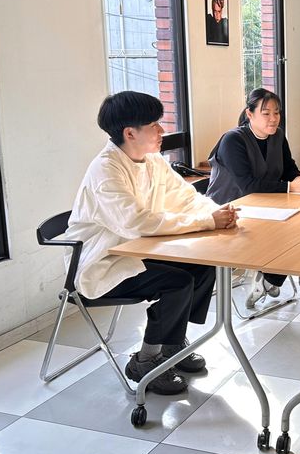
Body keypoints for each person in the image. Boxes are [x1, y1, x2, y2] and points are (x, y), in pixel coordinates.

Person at [64, 91, 238, 395]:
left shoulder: (153, 161)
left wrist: (216, 213)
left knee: (203, 265)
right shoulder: (106, 170)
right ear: (130, 133)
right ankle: (145, 362)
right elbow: (137, 223)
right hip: (103, 263)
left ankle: (172, 345)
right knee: (177, 282)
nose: (161, 130)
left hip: (138, 251)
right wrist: (208, 222)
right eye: (154, 125)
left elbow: (185, 198)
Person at [206, 88, 300, 308]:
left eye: (277, 113)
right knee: (288, 233)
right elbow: (247, 186)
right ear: (250, 114)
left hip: (265, 204)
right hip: (230, 208)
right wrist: (290, 187)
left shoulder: (278, 135)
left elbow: (288, 168)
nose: (273, 119)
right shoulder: (233, 140)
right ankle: (270, 277)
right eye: (266, 113)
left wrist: (299, 178)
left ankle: (269, 279)